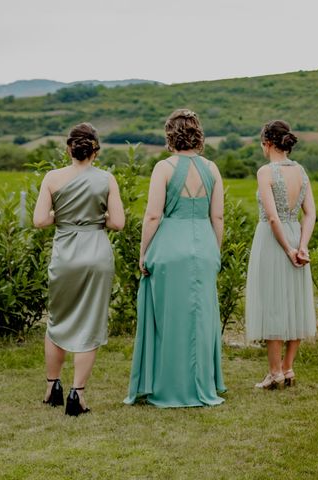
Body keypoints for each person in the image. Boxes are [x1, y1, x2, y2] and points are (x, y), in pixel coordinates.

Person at [124, 109, 226, 408]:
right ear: (198, 134)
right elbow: (217, 215)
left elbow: (154, 214)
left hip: (169, 247)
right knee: (201, 318)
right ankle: (202, 385)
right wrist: (214, 251)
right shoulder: (212, 168)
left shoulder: (164, 168)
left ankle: (169, 386)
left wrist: (143, 251)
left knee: (168, 319)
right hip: (204, 246)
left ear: (170, 135)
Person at [34, 123, 125, 416]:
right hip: (96, 252)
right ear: (95, 150)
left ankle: (52, 388)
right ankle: (78, 394)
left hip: (66, 255)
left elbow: (40, 221)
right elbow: (118, 223)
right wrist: (96, 217)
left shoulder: (52, 178)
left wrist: (62, 215)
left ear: (68, 149)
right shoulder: (107, 179)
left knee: (57, 318)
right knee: (91, 321)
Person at [245, 120, 316, 389]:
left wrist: (288, 249)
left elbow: (273, 217)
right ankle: (288, 368)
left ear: (267, 143)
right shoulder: (301, 171)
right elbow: (310, 213)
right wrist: (302, 245)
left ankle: (274, 372)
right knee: (293, 301)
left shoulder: (266, 172)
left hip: (273, 241)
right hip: (297, 234)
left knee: (273, 303)